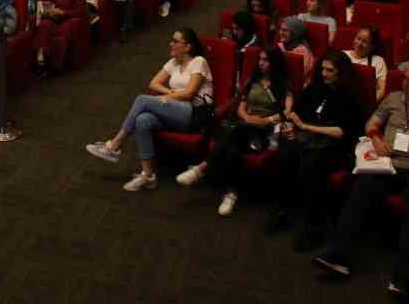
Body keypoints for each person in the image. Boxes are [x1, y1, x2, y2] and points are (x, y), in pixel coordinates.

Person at [311, 61, 409, 301]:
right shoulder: (393, 98)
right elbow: (371, 123)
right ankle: (339, 258)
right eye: (405, 78)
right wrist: (376, 138)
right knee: (360, 191)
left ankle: (403, 279)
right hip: (387, 166)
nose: (406, 83)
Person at [85, 28, 214, 192]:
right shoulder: (174, 62)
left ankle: (115, 145)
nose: (171, 44)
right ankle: (148, 175)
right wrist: (170, 93)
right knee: (143, 120)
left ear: (187, 47)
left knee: (142, 100)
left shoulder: (198, 62)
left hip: (195, 114)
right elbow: (154, 83)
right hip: (177, 110)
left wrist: (166, 98)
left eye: (175, 41)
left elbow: (189, 93)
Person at [266, 49, 367, 249]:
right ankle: (282, 210)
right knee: (285, 155)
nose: (324, 74)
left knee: (311, 165)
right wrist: (290, 126)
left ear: (341, 72)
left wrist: (305, 127)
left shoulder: (350, 96)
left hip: (336, 147)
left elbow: (342, 132)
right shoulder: (316, 87)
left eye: (330, 70)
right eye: (322, 69)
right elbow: (295, 112)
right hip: (308, 140)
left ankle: (314, 224)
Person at [181, 45, 292, 217]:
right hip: (244, 125)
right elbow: (241, 105)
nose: (260, 63)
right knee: (235, 144)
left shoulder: (283, 84)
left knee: (233, 138)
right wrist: (246, 117)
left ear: (274, 63)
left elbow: (286, 111)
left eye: (265, 60)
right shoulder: (254, 80)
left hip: (264, 131)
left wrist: (265, 120)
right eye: (260, 59)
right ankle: (231, 194)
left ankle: (202, 168)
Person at [33, 0, 85, 76]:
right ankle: (41, 59)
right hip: (55, 19)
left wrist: (63, 12)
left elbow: (80, 11)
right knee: (44, 24)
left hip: (66, 21)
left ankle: (48, 63)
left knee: (48, 26)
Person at [344, 25, 388, 102]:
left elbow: (381, 90)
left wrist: (368, 106)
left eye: (365, 42)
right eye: (358, 39)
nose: (359, 43)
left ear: (372, 46)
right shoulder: (343, 55)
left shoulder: (378, 61)